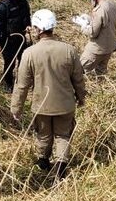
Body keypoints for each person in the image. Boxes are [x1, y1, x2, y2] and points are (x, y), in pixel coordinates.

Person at [11, 9, 86, 181]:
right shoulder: (69, 50)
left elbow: (22, 85)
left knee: (43, 135)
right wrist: (82, 98)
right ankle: (61, 168)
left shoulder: (29, 53)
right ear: (53, 27)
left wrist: (16, 108)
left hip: (41, 105)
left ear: (37, 29)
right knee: (63, 136)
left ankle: (43, 162)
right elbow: (78, 79)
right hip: (65, 104)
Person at [74, 0, 116, 75]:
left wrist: (83, 25)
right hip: (110, 47)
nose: (90, 0)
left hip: (97, 49)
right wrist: (90, 19)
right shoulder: (112, 4)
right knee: (101, 72)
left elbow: (93, 33)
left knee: (78, 70)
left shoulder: (99, 10)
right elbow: (105, 23)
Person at [0, 0, 31, 92]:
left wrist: (28, 25)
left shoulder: (23, 3)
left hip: (21, 38)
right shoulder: (2, 6)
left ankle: (21, 81)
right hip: (7, 40)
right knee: (9, 64)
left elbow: (26, 16)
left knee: (23, 61)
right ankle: (8, 83)